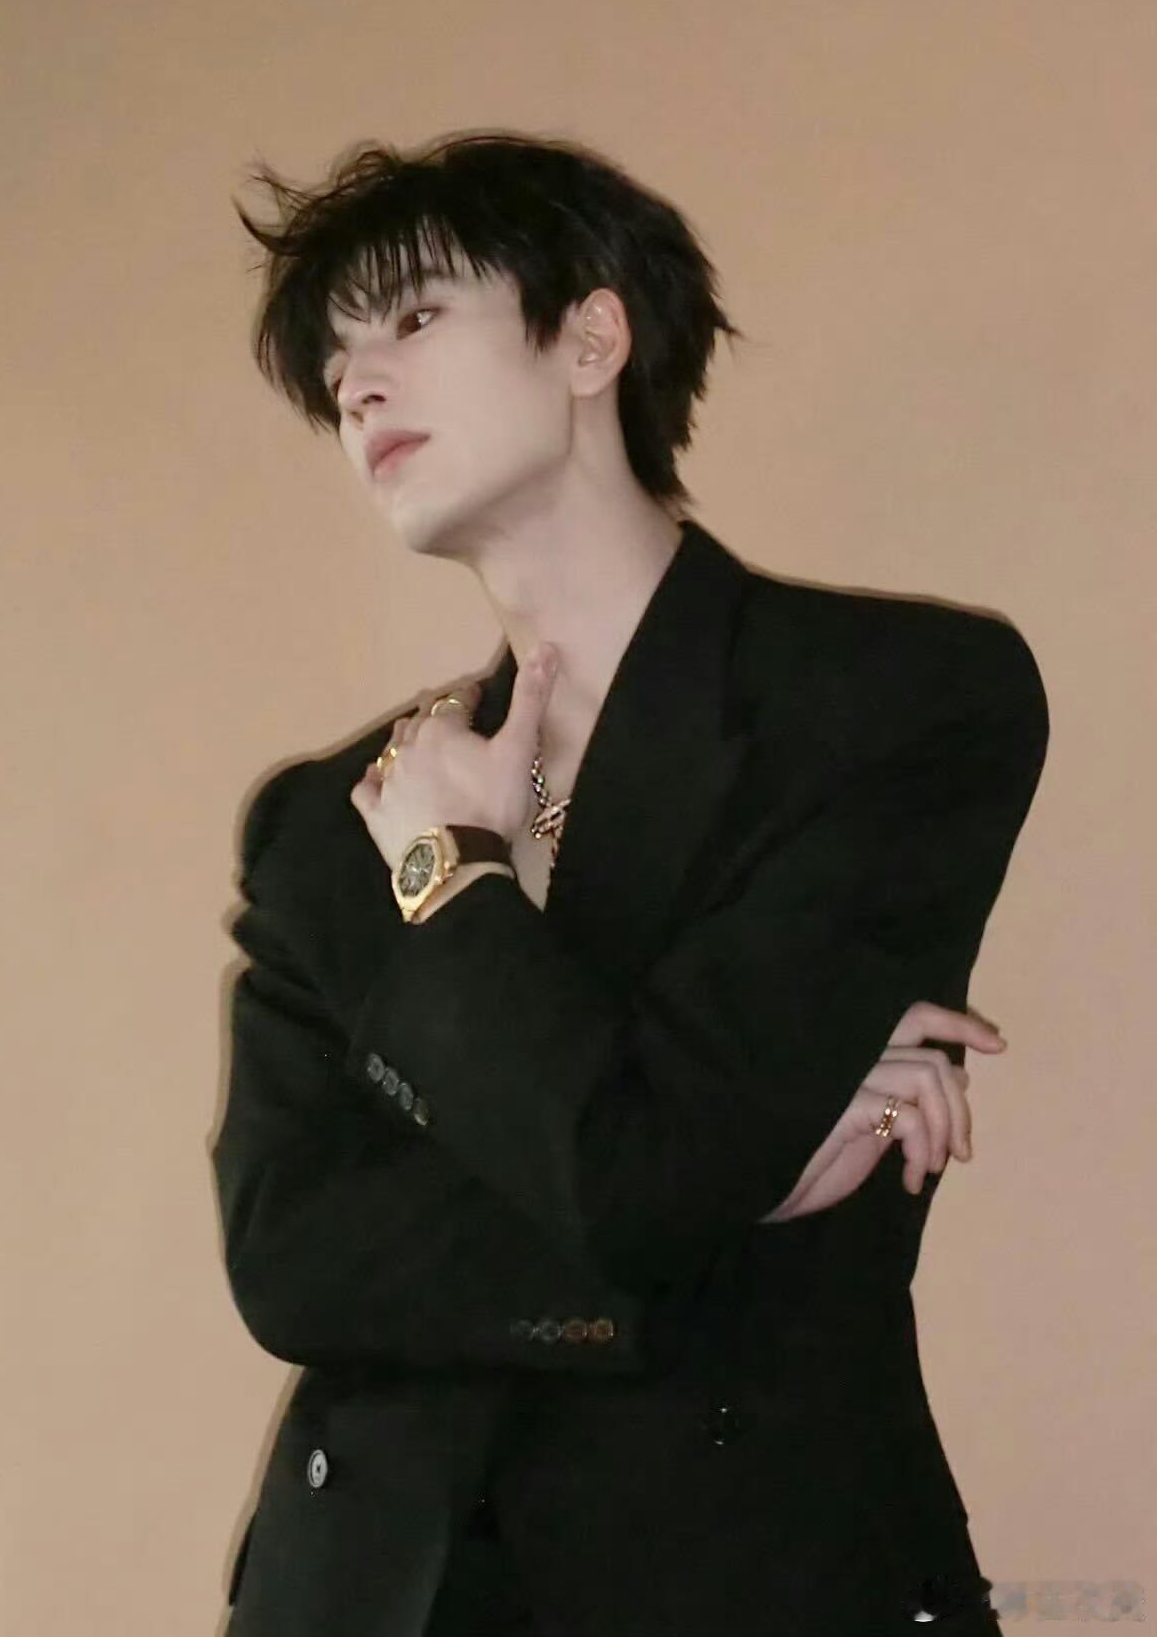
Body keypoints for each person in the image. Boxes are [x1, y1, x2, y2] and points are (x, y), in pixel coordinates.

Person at [213, 130, 1049, 1636]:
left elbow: (640, 1180)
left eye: (413, 318)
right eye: (335, 369)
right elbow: (293, 1261)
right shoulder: (329, 826)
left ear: (592, 338)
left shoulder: (895, 702)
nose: (359, 388)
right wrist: (726, 1177)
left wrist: (450, 880)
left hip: (748, 1570)